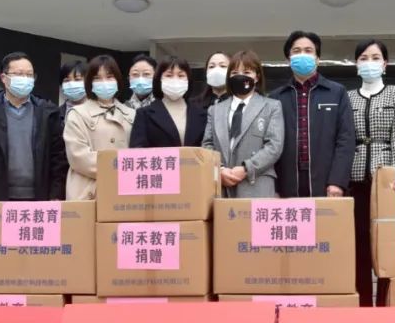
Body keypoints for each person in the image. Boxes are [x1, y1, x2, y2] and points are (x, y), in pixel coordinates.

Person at [348, 39, 395, 306]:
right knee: (359, 244)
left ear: (385, 64)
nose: (369, 63)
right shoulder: (347, 97)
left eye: (375, 58)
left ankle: (385, 303)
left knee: (387, 246)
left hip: (386, 182)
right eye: (363, 58)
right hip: (355, 179)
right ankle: (362, 303)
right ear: (356, 64)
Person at [0, 52, 67, 201]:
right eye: (18, 74)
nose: (25, 79)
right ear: (3, 78)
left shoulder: (47, 113)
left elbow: (59, 159)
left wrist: (56, 195)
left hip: (40, 199)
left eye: (29, 75)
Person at [270, 30, 355, 198]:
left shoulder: (336, 92)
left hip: (326, 179)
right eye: (296, 51)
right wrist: (274, 187)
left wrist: (337, 181)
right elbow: (270, 144)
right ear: (288, 59)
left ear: (318, 58)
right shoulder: (275, 98)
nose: (302, 54)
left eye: (308, 51)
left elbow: (345, 139)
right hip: (286, 180)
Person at [202, 50, 284, 198]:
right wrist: (219, 170)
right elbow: (207, 145)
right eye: (234, 73)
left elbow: (274, 146)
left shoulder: (271, 106)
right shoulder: (215, 110)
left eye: (246, 72)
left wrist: (246, 168)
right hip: (222, 185)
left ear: (257, 77)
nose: (240, 76)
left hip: (257, 183)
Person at [63, 55, 135, 200]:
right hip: (88, 192)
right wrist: (120, 167)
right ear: (90, 82)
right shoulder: (77, 114)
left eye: (109, 77)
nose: (104, 83)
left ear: (118, 80)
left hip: (125, 192)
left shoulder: (131, 114)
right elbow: (78, 157)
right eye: (97, 78)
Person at [129, 56, 207, 148]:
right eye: (169, 75)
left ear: (188, 80)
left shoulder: (202, 113)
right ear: (159, 80)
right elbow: (137, 150)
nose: (175, 80)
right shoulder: (144, 114)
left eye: (181, 75)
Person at [58, 59, 87, 134]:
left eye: (77, 79)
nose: (71, 84)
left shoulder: (99, 112)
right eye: (67, 80)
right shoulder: (56, 114)